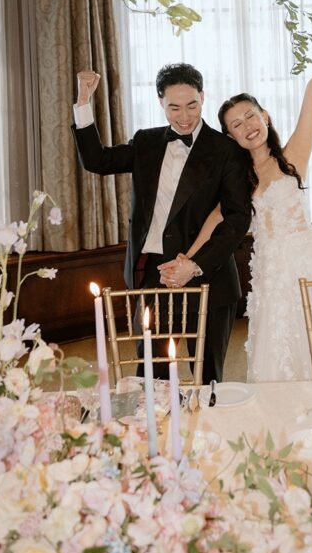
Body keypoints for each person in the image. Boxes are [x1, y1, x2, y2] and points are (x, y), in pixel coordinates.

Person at [210, 15, 312, 382]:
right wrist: (187, 257)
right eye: (236, 125)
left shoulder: (292, 159)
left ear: (265, 116)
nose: (247, 126)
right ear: (231, 137)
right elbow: (214, 219)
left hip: (311, 266)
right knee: (280, 357)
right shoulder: (239, 183)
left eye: (250, 116)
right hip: (272, 277)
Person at [71, 63, 251, 384]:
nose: (185, 116)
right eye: (174, 107)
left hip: (208, 276)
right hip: (155, 276)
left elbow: (237, 219)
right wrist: (84, 101)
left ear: (203, 97)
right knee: (151, 378)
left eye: (192, 105)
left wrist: (195, 265)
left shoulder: (226, 151)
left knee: (207, 380)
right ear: (160, 103)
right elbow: (97, 161)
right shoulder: (147, 142)